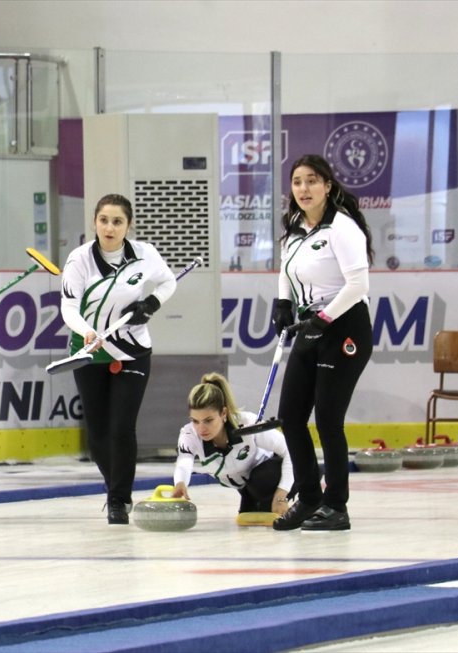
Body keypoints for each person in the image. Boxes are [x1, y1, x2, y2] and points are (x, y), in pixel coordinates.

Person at [270, 154, 374, 532]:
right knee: (291, 418)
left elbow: (358, 286)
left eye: (312, 181)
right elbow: (285, 268)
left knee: (329, 419)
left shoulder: (343, 229)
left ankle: (336, 506)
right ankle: (310, 498)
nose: (303, 189)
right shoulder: (295, 225)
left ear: (328, 186)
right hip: (311, 325)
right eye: (297, 182)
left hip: (345, 326)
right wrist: (283, 301)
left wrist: (324, 319)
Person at [59, 193, 177, 525]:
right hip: (89, 351)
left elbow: (167, 282)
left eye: (117, 221)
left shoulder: (144, 255)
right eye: (103, 220)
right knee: (97, 435)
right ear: (95, 222)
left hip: (132, 350)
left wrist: (150, 304)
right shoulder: (79, 260)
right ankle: (116, 487)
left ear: (128, 225)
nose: (109, 228)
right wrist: (86, 332)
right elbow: (69, 308)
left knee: (122, 427)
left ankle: (118, 499)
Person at [170, 373, 293, 515]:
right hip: (247, 486)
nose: (201, 429)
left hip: (274, 474)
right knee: (251, 506)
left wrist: (281, 494)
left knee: (261, 480)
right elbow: (184, 461)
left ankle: (310, 499)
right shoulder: (189, 434)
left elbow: (291, 451)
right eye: (195, 421)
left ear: (223, 413)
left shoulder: (247, 423)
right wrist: (180, 483)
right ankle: (252, 499)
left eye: (208, 420)